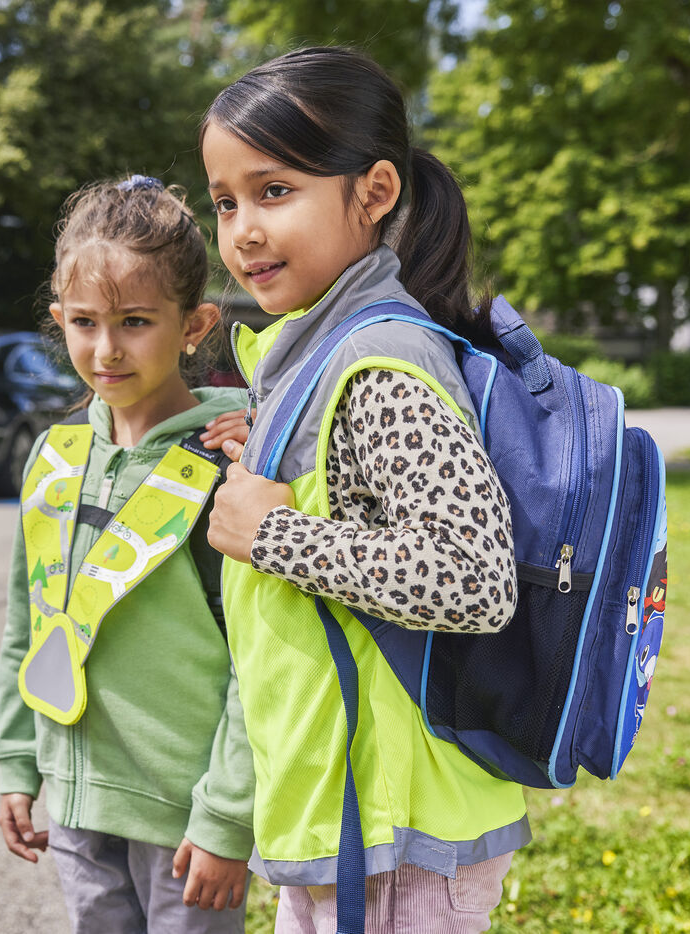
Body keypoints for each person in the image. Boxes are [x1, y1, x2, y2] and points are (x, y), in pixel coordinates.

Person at [199, 47, 528, 933]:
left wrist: (276, 536)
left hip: (399, 836)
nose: (242, 231)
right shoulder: (314, 351)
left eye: (274, 192)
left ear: (374, 192)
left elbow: (472, 575)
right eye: (225, 202)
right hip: (348, 813)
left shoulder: (383, 362)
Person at [0, 174, 256, 934]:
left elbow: (256, 659)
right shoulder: (53, 454)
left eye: (135, 321)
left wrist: (226, 817)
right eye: (84, 322)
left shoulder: (227, 464)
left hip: (187, 817)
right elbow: (27, 621)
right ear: (59, 321)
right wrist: (17, 763)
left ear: (195, 323)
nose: (106, 350)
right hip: (76, 798)